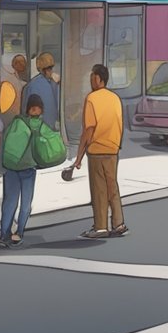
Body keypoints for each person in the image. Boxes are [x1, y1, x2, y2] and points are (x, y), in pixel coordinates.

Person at [73, 64, 127, 240]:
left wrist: (79, 157)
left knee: (99, 190)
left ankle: (101, 226)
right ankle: (118, 223)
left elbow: (89, 129)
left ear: (98, 79)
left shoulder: (92, 99)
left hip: (96, 149)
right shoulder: (115, 98)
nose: (90, 81)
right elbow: (119, 124)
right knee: (112, 186)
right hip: (112, 148)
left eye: (92, 78)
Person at [0, 95, 46, 248]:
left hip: (11, 169)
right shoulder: (41, 126)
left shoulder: (17, 123)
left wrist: (1, 166)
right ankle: (19, 232)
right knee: (25, 203)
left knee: (9, 202)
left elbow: (4, 144)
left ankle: (5, 234)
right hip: (29, 169)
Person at [24, 53, 61, 131]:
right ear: (41, 69)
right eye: (47, 69)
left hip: (51, 127)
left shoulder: (54, 83)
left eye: (50, 68)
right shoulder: (33, 85)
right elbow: (26, 111)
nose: (49, 71)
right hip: (38, 128)